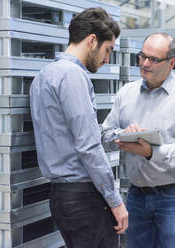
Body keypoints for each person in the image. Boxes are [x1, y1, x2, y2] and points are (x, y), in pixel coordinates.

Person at [29, 8, 128, 248]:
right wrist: (115, 201)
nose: (107, 60)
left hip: (62, 198)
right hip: (84, 198)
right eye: (108, 50)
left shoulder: (43, 76)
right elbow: (88, 145)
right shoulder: (73, 76)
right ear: (92, 40)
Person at [102, 32, 175, 248]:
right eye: (142, 56)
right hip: (136, 195)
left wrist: (149, 152)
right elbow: (105, 134)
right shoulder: (127, 93)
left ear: (172, 63)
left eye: (154, 59)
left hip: (174, 197)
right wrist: (123, 134)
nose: (145, 64)